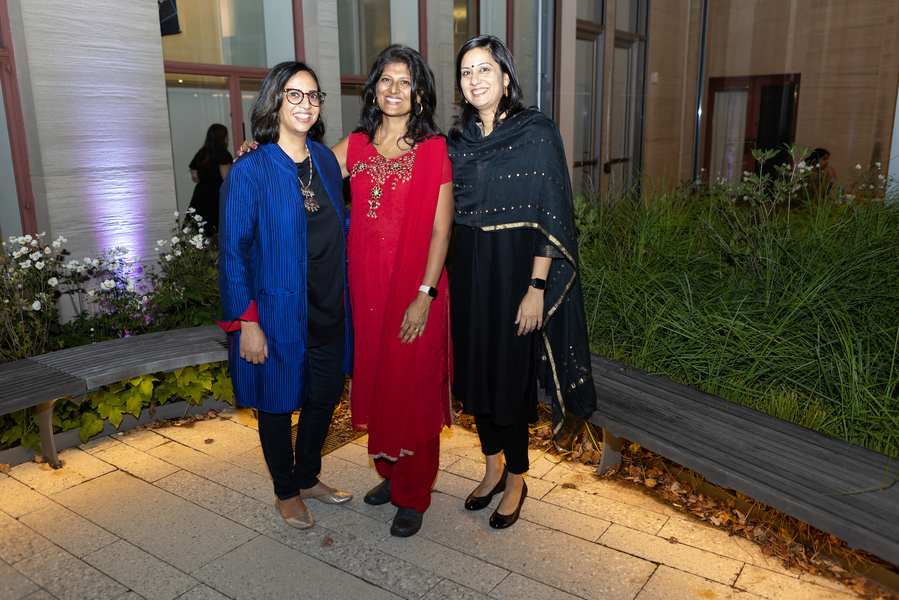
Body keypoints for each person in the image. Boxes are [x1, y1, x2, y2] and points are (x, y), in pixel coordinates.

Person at [447, 35, 597, 529]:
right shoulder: (457, 142)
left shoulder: (536, 133)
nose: (475, 79)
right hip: (466, 270)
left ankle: (517, 478)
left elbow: (549, 219)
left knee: (508, 378)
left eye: (485, 69)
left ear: (506, 77)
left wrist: (536, 288)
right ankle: (491, 467)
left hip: (515, 274)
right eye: (467, 71)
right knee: (474, 374)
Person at [217, 61, 354, 531]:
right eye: (294, 95)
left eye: (313, 96)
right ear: (275, 101)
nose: (305, 104)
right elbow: (233, 253)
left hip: (328, 308)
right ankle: (286, 491)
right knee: (276, 402)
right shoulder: (250, 169)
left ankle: (309, 475)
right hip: (274, 314)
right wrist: (247, 322)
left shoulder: (327, 163)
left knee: (326, 394)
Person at [331, 44, 454, 538]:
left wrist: (424, 295)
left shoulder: (433, 150)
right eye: (386, 79)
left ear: (420, 92)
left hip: (416, 289)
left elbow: (442, 232)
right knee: (381, 379)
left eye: (406, 81)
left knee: (416, 385)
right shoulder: (356, 145)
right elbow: (304, 174)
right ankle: (390, 471)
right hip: (368, 287)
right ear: (373, 88)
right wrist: (261, 152)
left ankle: (414, 493)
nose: (395, 89)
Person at [188, 123, 232, 236]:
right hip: (216, 195)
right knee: (216, 230)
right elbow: (226, 179)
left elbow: (193, 173)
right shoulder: (224, 155)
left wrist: (205, 177)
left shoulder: (202, 152)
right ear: (223, 137)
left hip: (200, 193)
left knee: (199, 229)